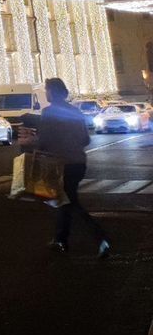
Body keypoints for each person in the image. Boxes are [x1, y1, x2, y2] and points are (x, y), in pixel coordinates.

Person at [26, 77, 110, 258]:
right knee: (65, 201)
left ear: (53, 92)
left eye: (47, 90)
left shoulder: (48, 113)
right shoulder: (75, 111)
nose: (45, 94)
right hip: (79, 163)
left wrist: (32, 146)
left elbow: (44, 141)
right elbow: (86, 139)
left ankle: (100, 238)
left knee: (70, 203)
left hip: (61, 164)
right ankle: (60, 239)